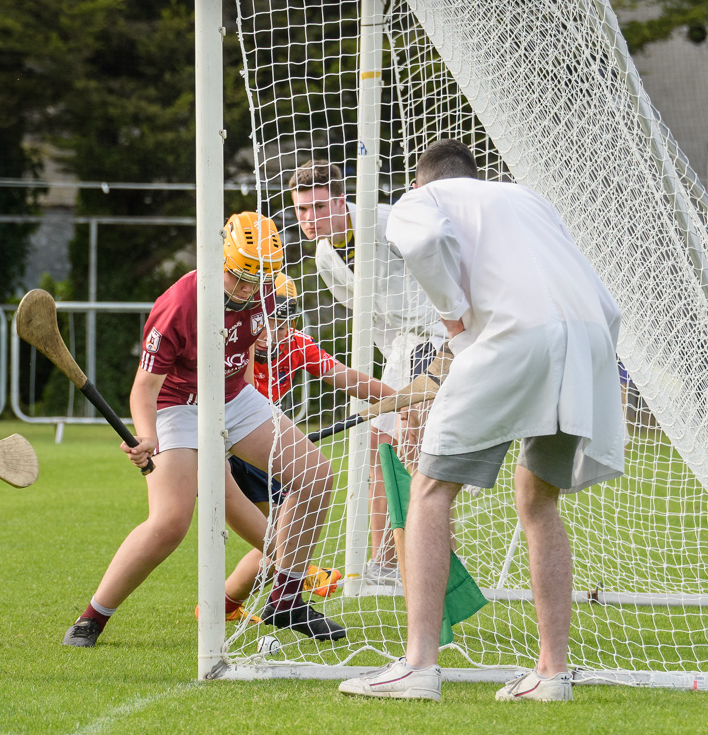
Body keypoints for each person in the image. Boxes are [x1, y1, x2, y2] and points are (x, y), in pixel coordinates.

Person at [338, 139, 624, 702]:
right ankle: (552, 674)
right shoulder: (529, 200)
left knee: (428, 488)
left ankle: (418, 666)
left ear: (421, 182)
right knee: (538, 497)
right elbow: (604, 302)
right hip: (591, 340)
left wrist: (455, 321)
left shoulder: (422, 201)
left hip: (513, 338)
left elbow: (422, 242)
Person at [63, 212, 346, 647]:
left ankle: (287, 599)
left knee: (317, 476)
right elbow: (144, 389)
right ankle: (92, 618)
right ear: (221, 260)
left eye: (258, 280)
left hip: (233, 396)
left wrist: (246, 415)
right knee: (170, 522)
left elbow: (246, 350)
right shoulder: (180, 302)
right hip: (178, 405)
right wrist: (147, 435)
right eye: (239, 278)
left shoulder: (265, 291)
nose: (248, 291)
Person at [290, 160, 444, 584]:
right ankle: (387, 563)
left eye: (319, 207)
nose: (309, 219)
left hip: (438, 336)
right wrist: (389, 370)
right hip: (400, 348)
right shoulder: (324, 256)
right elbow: (368, 318)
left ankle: (431, 554)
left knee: (416, 444)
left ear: (341, 200)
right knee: (380, 445)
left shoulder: (387, 221)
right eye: (301, 210)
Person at [219, 273, 395, 613]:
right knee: (282, 537)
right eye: (266, 325)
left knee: (281, 536)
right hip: (237, 451)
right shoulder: (233, 345)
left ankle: (223, 606)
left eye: (282, 325)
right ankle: (301, 581)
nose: (273, 335)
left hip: (266, 448)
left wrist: (401, 397)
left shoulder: (297, 344)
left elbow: (345, 377)